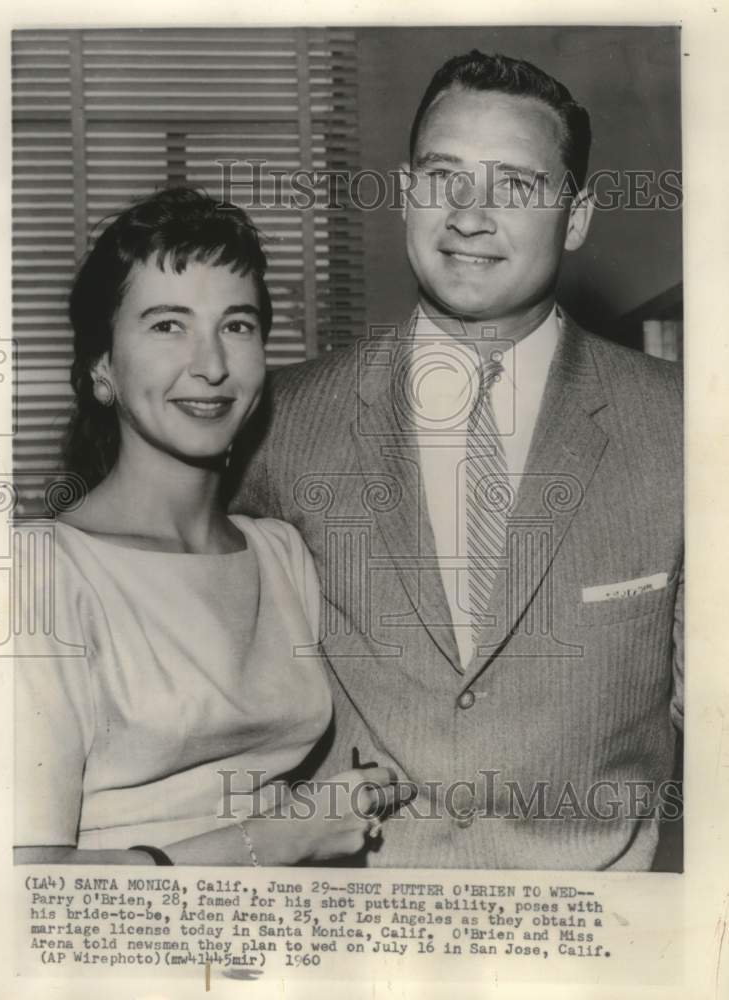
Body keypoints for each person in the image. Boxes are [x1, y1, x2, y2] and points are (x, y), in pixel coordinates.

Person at [232, 51, 684, 870]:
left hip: (598, 940)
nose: (468, 216)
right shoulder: (280, 419)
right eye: (444, 179)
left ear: (575, 217)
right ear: (407, 195)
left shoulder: (684, 421)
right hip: (359, 939)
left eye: (514, 186)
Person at [14, 186, 401, 866]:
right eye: (167, 325)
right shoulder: (40, 574)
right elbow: (27, 889)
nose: (212, 365)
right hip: (121, 964)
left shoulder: (281, 554)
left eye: (237, 325)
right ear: (102, 367)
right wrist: (285, 837)